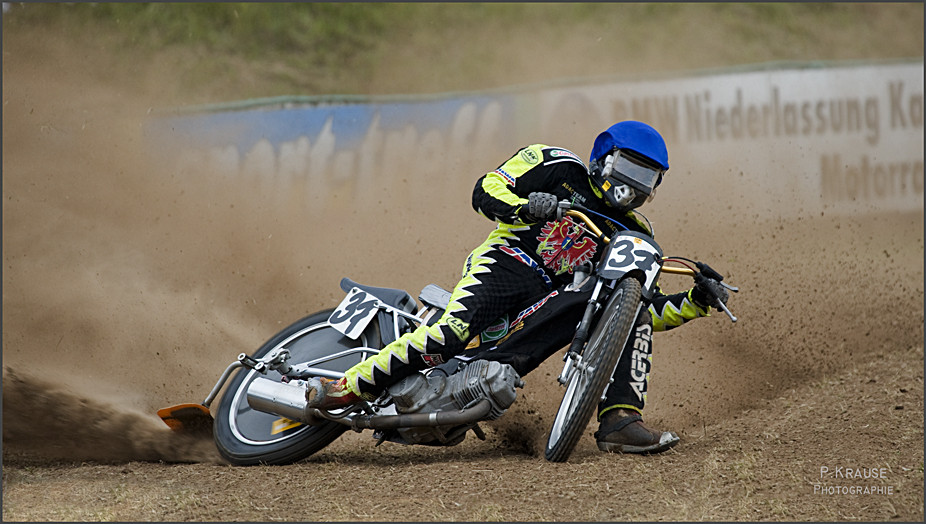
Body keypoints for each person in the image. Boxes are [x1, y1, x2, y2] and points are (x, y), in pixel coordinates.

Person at [307, 120, 728, 454]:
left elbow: (631, 313)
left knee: (616, 310)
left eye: (647, 177)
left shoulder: (637, 233)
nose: (632, 186)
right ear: (603, 158)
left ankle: (621, 421)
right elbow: (485, 188)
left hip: (556, 299)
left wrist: (696, 300)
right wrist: (527, 206)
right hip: (509, 262)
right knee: (451, 333)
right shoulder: (557, 163)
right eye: (628, 169)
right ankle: (347, 386)